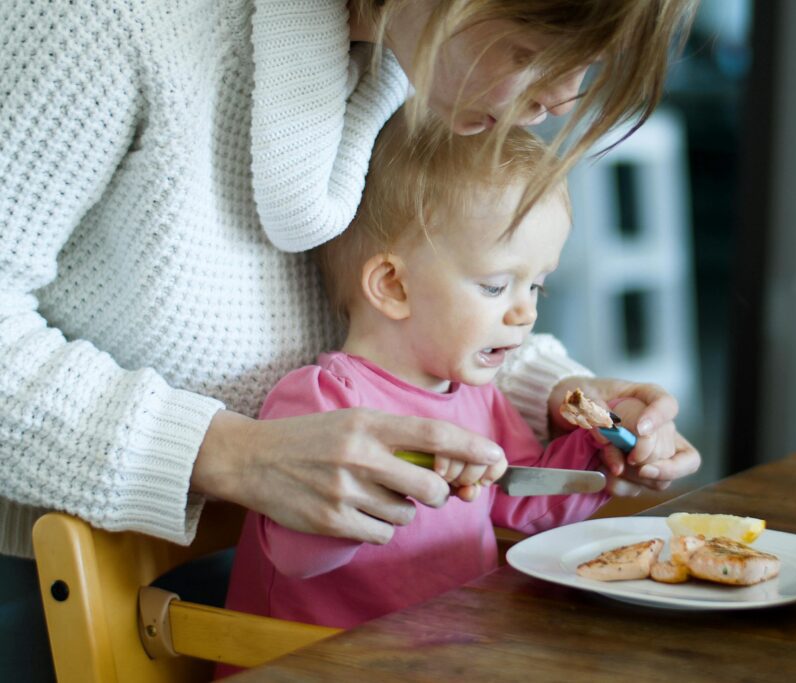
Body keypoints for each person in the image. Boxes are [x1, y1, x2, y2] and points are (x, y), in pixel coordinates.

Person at [0, 1, 699, 678]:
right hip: (50, 578)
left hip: (263, 580)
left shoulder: (401, 54)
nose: (562, 99)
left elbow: (433, 281)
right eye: (534, 48)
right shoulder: (108, 18)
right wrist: (226, 454)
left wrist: (562, 398)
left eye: (586, 64)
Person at [218, 110, 692, 677]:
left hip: (451, 657)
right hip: (316, 668)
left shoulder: (477, 398)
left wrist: (597, 454)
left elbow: (524, 505)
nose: (526, 312)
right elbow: (297, 558)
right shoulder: (321, 402)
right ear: (393, 286)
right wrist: (386, 485)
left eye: (537, 285)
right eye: (497, 286)